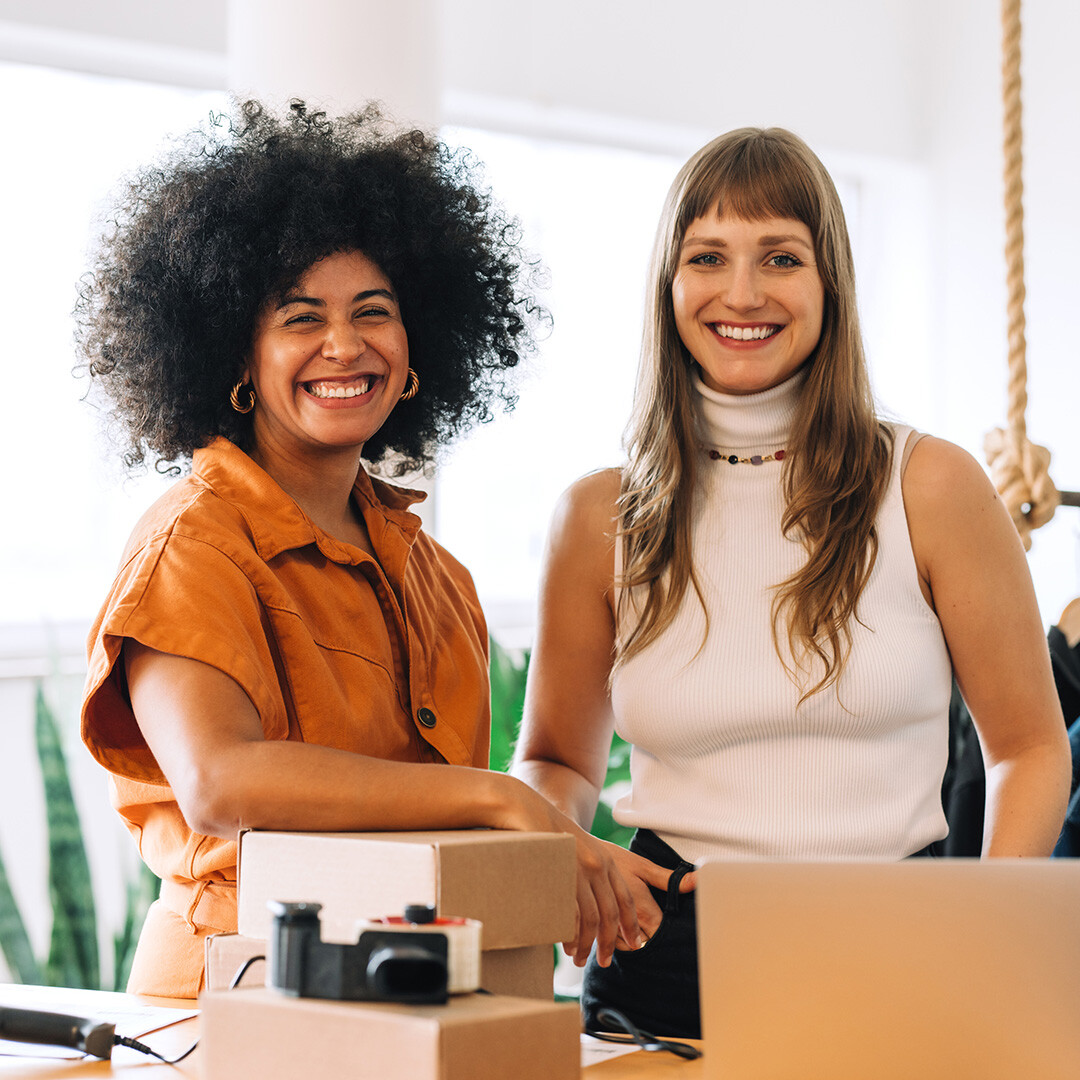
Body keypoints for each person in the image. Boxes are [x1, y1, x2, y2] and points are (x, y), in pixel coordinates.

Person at [512, 126, 1071, 1038]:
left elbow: (1030, 750)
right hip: (663, 956)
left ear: (828, 285)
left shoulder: (931, 486)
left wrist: (989, 928)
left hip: (907, 943)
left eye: (780, 256)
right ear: (670, 284)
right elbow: (556, 762)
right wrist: (555, 837)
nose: (742, 292)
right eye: (709, 258)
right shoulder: (597, 516)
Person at [77, 101, 644, 998]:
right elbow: (222, 783)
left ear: (416, 348)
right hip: (231, 997)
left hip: (407, 990)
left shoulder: (434, 574)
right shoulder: (193, 544)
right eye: (301, 318)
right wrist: (501, 800)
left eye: (371, 311)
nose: (344, 344)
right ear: (238, 352)